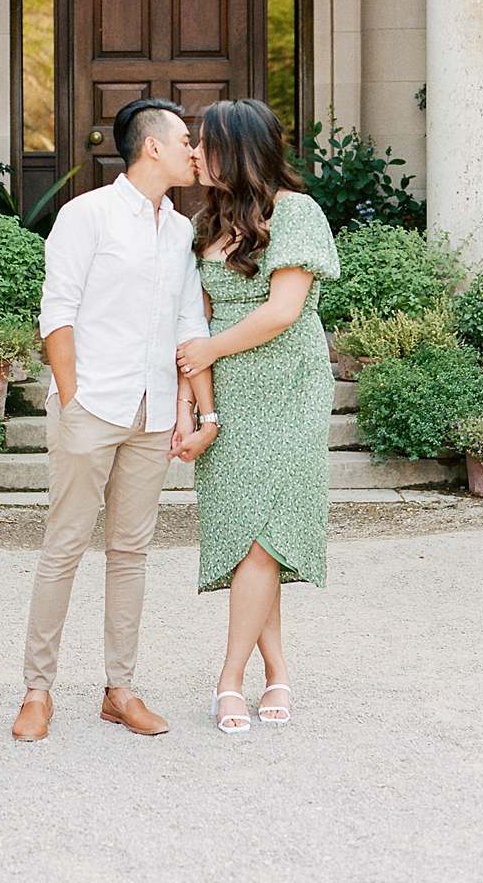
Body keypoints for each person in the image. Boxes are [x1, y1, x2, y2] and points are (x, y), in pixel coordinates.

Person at [12, 98, 214, 742]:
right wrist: (71, 402)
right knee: (64, 548)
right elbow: (57, 313)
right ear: (151, 146)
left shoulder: (182, 230)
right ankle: (37, 691)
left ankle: (119, 690)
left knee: (131, 553)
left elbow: (190, 325)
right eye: (186, 140)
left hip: (154, 413)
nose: (194, 150)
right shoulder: (86, 215)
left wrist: (193, 410)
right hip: (92, 407)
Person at [176, 97, 340, 733]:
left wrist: (207, 349)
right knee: (252, 539)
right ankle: (278, 674)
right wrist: (192, 406)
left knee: (264, 536)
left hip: (290, 386)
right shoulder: (205, 224)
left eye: (205, 143)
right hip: (230, 395)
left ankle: (230, 679)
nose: (194, 153)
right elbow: (194, 323)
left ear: (238, 150)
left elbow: (281, 312)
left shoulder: (295, 212)